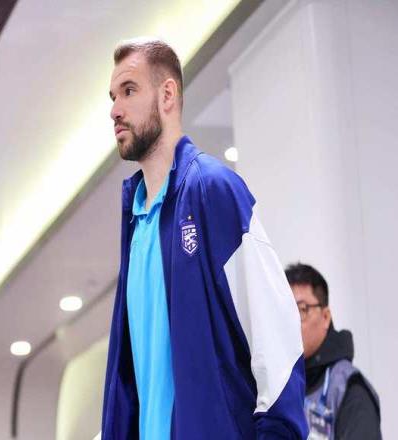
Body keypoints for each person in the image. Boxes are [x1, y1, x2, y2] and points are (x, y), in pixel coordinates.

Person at [101, 37, 308, 440]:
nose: (115, 110)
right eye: (112, 97)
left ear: (167, 94)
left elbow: (277, 346)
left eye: (128, 91)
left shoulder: (213, 190)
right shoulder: (137, 221)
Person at [285, 263, 381, 440]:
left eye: (301, 310)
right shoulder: (278, 386)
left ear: (325, 317)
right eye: (285, 312)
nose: (291, 322)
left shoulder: (350, 389)